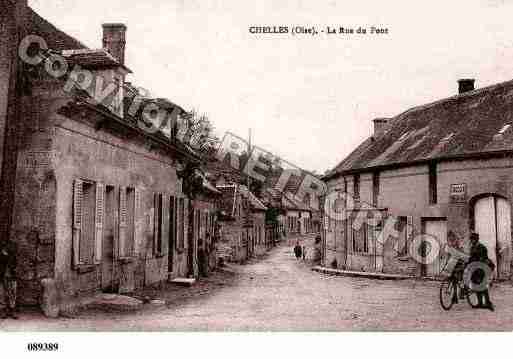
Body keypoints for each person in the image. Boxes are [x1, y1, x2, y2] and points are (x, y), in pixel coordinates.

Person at [468, 232, 495, 311]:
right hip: (475, 269)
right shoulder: (472, 247)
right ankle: (480, 303)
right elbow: (471, 258)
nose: (472, 241)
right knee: (476, 286)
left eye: (473, 239)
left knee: (482, 286)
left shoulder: (482, 247)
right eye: (471, 239)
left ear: (476, 239)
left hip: (481, 268)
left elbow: (484, 258)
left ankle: (488, 303)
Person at [0, 240, 18, 319]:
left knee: (12, 293)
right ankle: (3, 309)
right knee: (2, 293)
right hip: (1, 276)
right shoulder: (1, 256)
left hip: (11, 276)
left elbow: (14, 265)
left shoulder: (13, 256)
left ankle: (12, 309)